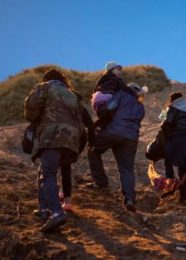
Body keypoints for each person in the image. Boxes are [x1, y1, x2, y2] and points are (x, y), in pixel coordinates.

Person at [24, 69, 84, 232]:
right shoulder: (71, 94)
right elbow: (80, 120)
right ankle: (44, 208)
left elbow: (30, 110)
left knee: (48, 173)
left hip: (52, 137)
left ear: (47, 79)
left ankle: (56, 212)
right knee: (43, 170)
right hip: (71, 139)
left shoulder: (44, 88)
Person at [86, 82, 146, 212]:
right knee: (126, 169)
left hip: (113, 132)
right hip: (131, 138)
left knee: (92, 149)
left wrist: (100, 112)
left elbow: (109, 107)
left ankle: (101, 181)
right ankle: (129, 199)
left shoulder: (121, 94)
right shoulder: (141, 105)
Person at [91, 61, 134, 129]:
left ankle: (97, 128)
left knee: (106, 119)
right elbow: (125, 89)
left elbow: (95, 89)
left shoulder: (102, 79)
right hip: (108, 99)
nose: (120, 71)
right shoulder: (115, 79)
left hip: (97, 101)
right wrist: (136, 94)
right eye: (117, 69)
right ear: (111, 70)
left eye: (120, 70)